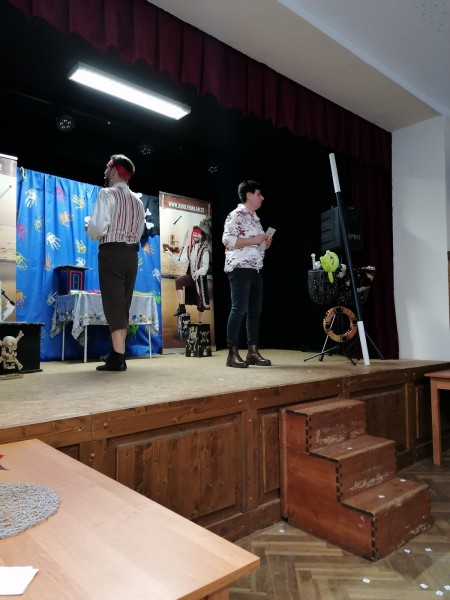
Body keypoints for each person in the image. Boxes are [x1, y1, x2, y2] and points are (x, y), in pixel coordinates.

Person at [85, 154, 145, 372]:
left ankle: (119, 357)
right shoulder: (138, 201)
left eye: (108, 168)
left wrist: (90, 229)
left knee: (113, 303)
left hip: (111, 252)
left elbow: (98, 228)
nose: (105, 171)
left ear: (114, 171)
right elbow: (139, 232)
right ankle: (117, 352)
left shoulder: (107, 193)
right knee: (123, 303)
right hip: (131, 255)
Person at [222, 180, 273, 368]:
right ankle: (232, 353)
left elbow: (256, 244)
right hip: (239, 266)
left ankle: (252, 351)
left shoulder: (255, 218)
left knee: (254, 312)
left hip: (255, 267)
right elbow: (228, 241)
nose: (262, 198)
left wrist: (264, 243)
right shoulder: (236, 215)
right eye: (259, 194)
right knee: (239, 309)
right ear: (249, 195)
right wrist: (255, 239)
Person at [166, 225, 210, 323]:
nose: (195, 235)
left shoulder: (204, 250)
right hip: (191, 276)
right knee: (179, 281)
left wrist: (197, 272)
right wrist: (171, 255)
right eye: (194, 233)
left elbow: (205, 267)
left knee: (200, 301)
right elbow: (181, 261)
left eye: (197, 234)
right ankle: (182, 307)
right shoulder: (189, 249)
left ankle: (200, 322)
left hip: (200, 278)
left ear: (201, 236)